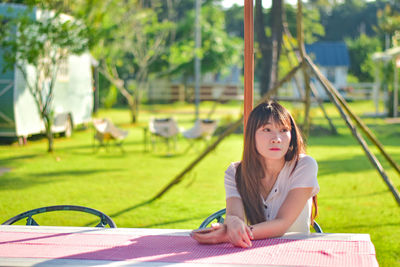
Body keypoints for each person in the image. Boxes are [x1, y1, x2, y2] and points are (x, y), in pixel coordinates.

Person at [191, 100, 319, 248]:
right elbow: (235, 215)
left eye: (284, 130)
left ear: (292, 137)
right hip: (253, 252)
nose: (276, 138)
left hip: (297, 252)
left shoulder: (304, 166)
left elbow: (282, 223)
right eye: (267, 129)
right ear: (252, 136)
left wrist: (229, 234)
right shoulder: (236, 172)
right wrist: (232, 222)